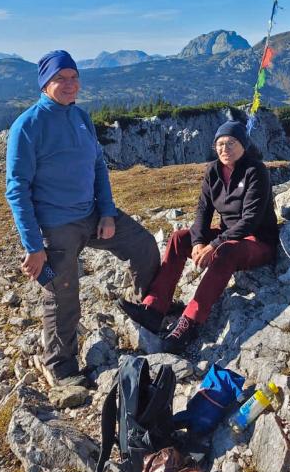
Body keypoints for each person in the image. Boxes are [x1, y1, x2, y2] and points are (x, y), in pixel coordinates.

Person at [5, 50, 160, 387]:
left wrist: (106, 212)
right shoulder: (28, 126)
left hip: (91, 213)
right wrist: (33, 247)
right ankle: (60, 368)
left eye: (74, 77)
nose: (70, 84)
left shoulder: (81, 117)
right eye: (61, 78)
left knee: (144, 245)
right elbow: (16, 190)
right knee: (62, 294)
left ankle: (148, 308)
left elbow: (98, 167)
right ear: (45, 84)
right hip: (56, 225)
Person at [118, 120, 278, 354]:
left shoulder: (256, 171)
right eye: (220, 144)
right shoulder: (213, 171)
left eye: (231, 143)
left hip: (258, 240)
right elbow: (203, 210)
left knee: (226, 251)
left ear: (243, 145)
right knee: (178, 238)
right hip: (228, 235)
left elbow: (251, 220)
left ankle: (189, 322)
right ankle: (154, 308)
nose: (225, 149)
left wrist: (214, 244)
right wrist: (198, 242)